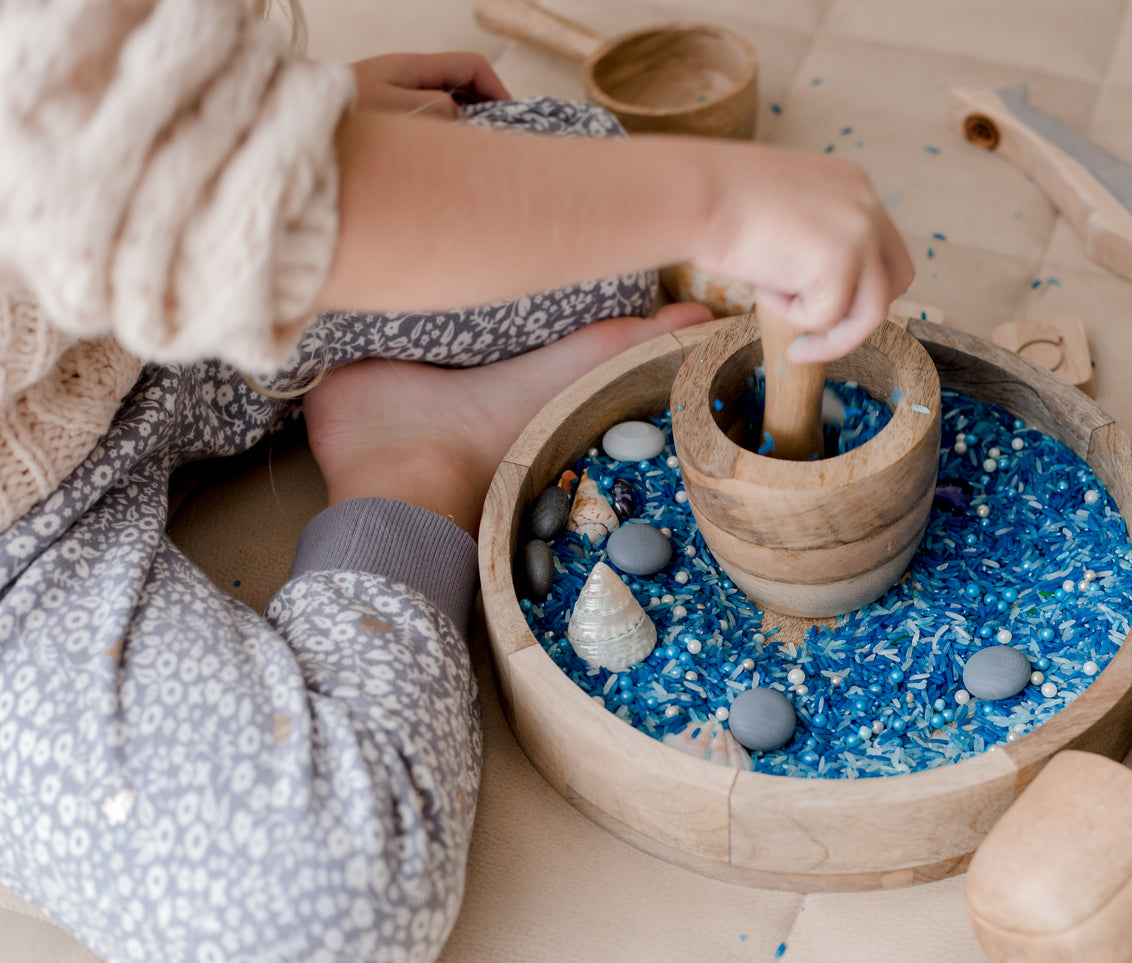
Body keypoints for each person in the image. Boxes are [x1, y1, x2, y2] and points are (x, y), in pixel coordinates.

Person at [0, 1, 913, 960]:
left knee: (587, 213)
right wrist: (721, 200)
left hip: (92, 314)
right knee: (318, 907)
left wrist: (248, 117)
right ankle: (414, 462)